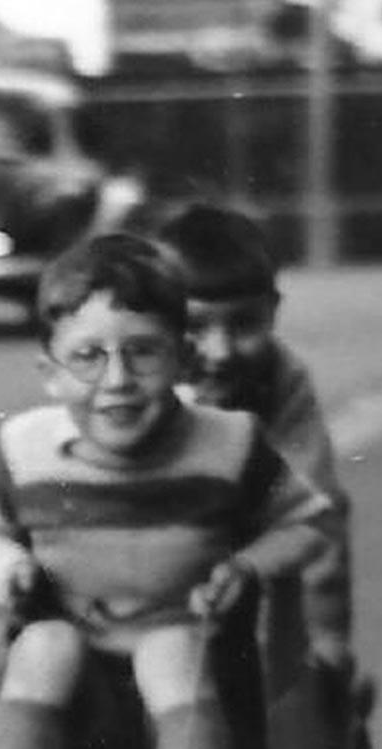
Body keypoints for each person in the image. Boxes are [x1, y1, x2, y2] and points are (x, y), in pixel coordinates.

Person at [0, 233, 336, 749]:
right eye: (88, 358)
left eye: (143, 352)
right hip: (82, 677)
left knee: (169, 648)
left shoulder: (230, 443)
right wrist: (8, 565)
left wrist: (247, 566)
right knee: (41, 644)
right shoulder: (24, 449)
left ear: (183, 358)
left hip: (190, 652)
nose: (118, 382)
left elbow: (306, 520)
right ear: (48, 371)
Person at [154, 203, 357, 696]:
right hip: (154, 551)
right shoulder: (140, 375)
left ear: (274, 311)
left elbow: (316, 502)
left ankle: (310, 675)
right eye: (195, 327)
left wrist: (327, 633)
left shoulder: (281, 379)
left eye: (244, 325)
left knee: (310, 529)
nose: (220, 351)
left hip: (251, 541)